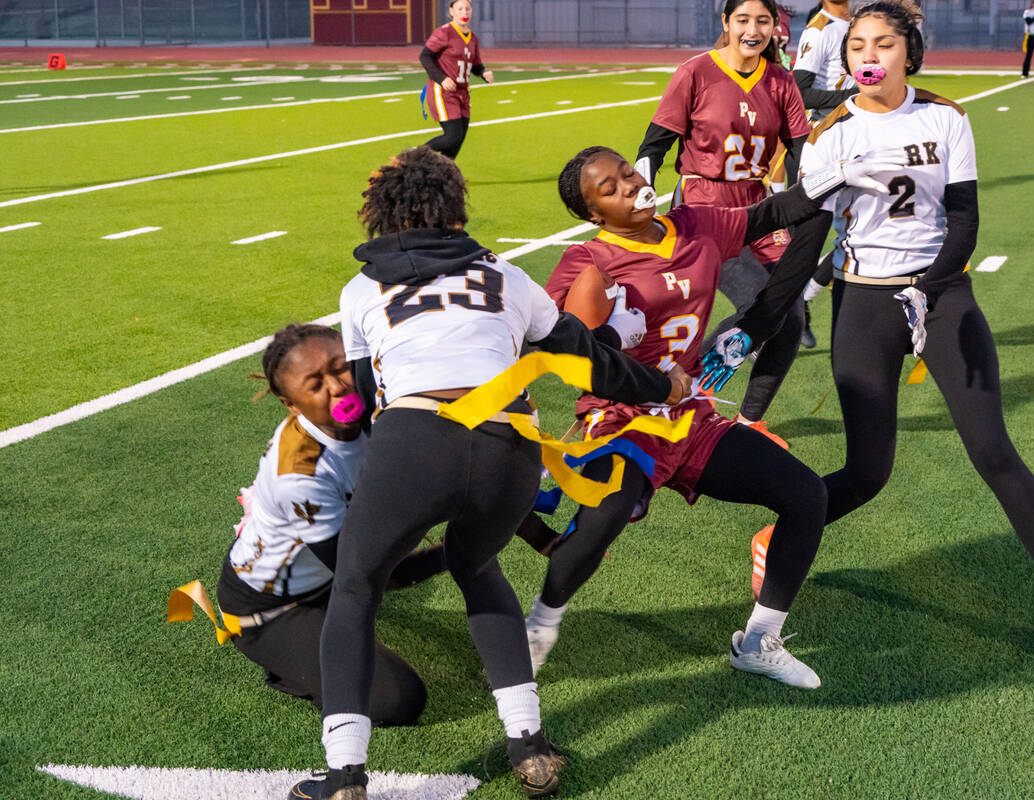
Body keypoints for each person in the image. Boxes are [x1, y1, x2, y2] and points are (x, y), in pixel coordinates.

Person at [702, 0, 1034, 679]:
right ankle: (761, 630)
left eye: (883, 44)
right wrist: (737, 292)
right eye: (857, 45)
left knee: (994, 452)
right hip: (865, 303)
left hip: (942, 296)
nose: (867, 55)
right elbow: (800, 227)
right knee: (868, 473)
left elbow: (964, 223)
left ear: (909, 52)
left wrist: (929, 287)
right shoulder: (832, 133)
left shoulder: (946, 116)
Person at [292, 146, 691, 800]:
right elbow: (586, 356)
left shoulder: (361, 289)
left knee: (358, 589)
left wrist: (377, 496)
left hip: (415, 441)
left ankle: (345, 775)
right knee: (478, 567)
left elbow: (368, 405)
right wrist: (662, 383)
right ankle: (530, 745)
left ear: (381, 216)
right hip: (510, 448)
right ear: (454, 209)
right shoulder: (505, 276)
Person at [522, 143, 900, 690]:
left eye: (627, 172)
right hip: (623, 418)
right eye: (610, 188)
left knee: (806, 495)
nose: (629, 184)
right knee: (605, 515)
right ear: (593, 215)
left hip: (692, 417)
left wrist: (831, 176)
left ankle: (759, 640)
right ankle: (539, 627)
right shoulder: (586, 261)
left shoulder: (694, 223)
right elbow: (555, 343)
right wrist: (607, 336)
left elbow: (770, 215)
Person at [216, 324, 442, 729]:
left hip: (322, 576)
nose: (338, 387)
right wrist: (453, 553)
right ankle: (290, 662)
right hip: (271, 609)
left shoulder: (376, 400)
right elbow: (363, 573)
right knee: (398, 701)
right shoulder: (301, 473)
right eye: (315, 383)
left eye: (341, 367)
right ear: (291, 404)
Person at [634, 0, 811, 448]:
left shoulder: (781, 81)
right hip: (704, 207)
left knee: (791, 316)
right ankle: (679, 399)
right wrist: (642, 193)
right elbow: (655, 144)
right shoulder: (695, 72)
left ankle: (748, 422)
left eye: (763, 21)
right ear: (726, 23)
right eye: (744, 20)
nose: (753, 30)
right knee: (766, 305)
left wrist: (811, 193)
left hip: (760, 207)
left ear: (775, 27)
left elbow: (800, 150)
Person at [790, 0, 859, 345]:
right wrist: (854, 95)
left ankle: (801, 299)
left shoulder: (863, 19)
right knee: (809, 240)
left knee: (863, 234)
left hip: (861, 136)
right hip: (828, 143)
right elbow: (798, 90)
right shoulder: (821, 28)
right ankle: (780, 313)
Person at [418, 0, 493, 159]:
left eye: (467, 8)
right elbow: (425, 56)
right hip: (444, 92)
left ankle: (443, 175)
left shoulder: (473, 39)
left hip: (463, 94)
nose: (464, 12)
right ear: (451, 11)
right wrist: (441, 78)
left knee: (458, 139)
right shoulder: (444, 32)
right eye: (460, 9)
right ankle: (412, 157)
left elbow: (475, 65)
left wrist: (484, 73)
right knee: (452, 135)